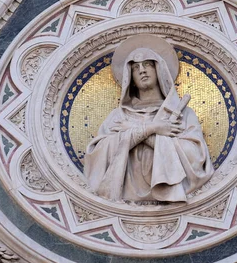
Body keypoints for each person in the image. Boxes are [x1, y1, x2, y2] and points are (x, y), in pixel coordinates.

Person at [84, 36, 213, 202]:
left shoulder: (183, 114)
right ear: (130, 78)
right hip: (124, 195)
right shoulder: (118, 116)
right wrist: (153, 129)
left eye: (147, 65)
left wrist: (134, 131)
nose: (142, 71)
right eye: (136, 68)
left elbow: (194, 157)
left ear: (159, 70)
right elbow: (99, 155)